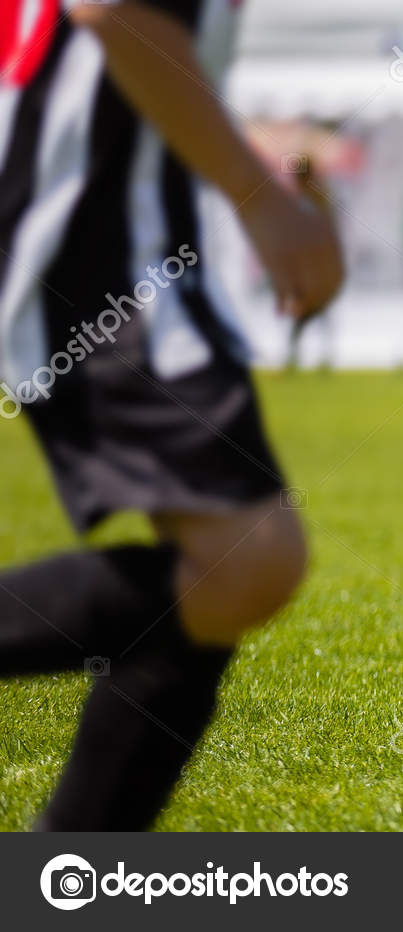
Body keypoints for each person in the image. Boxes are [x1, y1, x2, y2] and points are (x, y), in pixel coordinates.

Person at [0, 0, 343, 829]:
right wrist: (260, 195)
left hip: (99, 213)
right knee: (244, 557)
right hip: (77, 225)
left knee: (235, 568)